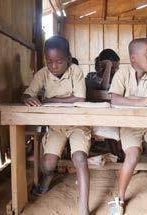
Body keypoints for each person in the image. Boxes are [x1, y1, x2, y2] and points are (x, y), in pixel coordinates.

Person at [22, 35, 91, 215]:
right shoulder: (43, 73)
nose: (53, 66)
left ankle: (84, 206)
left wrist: (51, 100)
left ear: (68, 58)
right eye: (49, 61)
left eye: (59, 61)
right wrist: (29, 98)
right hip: (56, 126)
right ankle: (49, 176)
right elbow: (27, 94)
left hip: (78, 125)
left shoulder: (75, 71)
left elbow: (80, 98)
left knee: (80, 158)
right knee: (49, 164)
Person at [107, 38, 147, 214]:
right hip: (130, 126)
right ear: (134, 58)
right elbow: (114, 99)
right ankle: (119, 197)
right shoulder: (122, 74)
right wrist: (140, 101)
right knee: (133, 155)